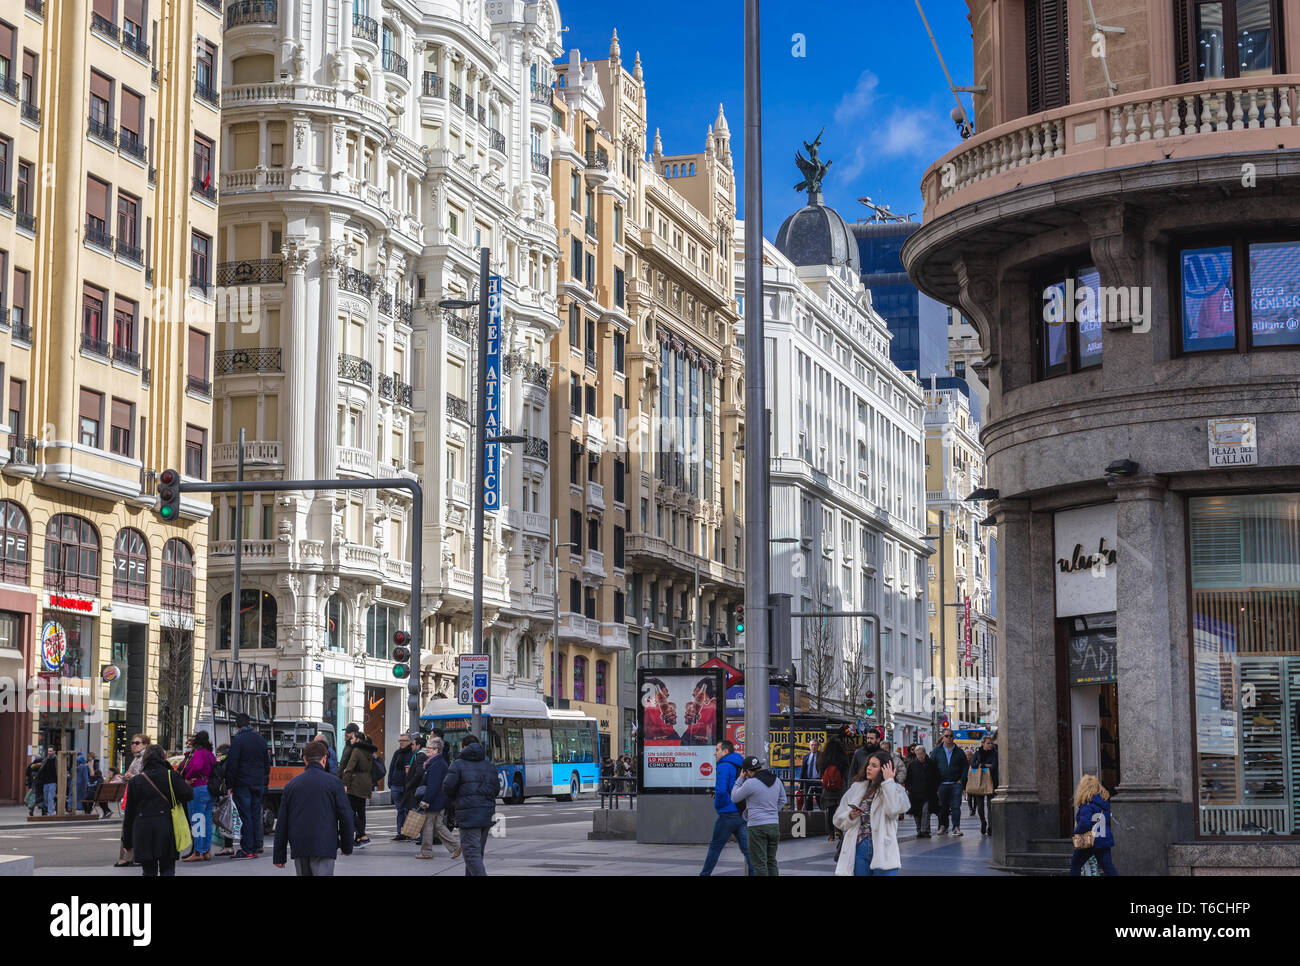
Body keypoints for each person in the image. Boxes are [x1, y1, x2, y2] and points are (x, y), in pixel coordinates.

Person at [272, 740, 354, 876]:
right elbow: (346, 817)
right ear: (324, 759)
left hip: (299, 846)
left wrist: (279, 856)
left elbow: (282, 822)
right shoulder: (334, 783)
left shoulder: (292, 785)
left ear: (305, 760)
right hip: (325, 845)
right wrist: (346, 846)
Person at [120, 744, 195, 877]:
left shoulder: (136, 781)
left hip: (143, 829)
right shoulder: (172, 776)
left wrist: (127, 841)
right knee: (167, 868)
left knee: (148, 871)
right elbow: (188, 795)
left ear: (145, 759)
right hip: (166, 826)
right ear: (163, 757)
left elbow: (129, 814)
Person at [833, 750, 911, 876]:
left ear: (884, 769)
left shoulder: (895, 789)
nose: (868, 768)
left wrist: (889, 782)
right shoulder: (857, 788)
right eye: (868, 764)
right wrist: (850, 816)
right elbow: (838, 818)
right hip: (859, 845)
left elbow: (894, 809)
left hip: (883, 846)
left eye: (874, 766)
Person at [442, 735, 500, 875]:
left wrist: (455, 799)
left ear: (463, 747)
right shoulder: (489, 765)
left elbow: (447, 787)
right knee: (477, 853)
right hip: (486, 814)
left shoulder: (458, 764)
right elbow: (496, 789)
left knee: (471, 854)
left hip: (468, 815)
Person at [699, 739, 752, 876]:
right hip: (740, 812)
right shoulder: (739, 763)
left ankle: (704, 874)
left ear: (725, 751)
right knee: (748, 850)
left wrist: (719, 804)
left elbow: (722, 790)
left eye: (717, 750)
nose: (715, 753)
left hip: (727, 814)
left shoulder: (724, 765)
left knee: (715, 848)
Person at [225, 712, 271, 858]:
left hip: (243, 783)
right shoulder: (260, 739)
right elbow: (266, 763)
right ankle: (256, 847)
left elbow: (232, 764)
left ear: (237, 725)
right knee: (255, 815)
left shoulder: (238, 740)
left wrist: (229, 784)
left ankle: (247, 849)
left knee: (245, 816)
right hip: (258, 783)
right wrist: (263, 780)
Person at [731, 755, 786, 876]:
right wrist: (771, 811)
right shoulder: (776, 780)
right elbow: (783, 800)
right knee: (771, 861)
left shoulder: (750, 783)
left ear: (747, 771)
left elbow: (734, 797)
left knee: (759, 864)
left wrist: (740, 778)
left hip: (757, 827)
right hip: (774, 826)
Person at [415, 737, 461, 861]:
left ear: (436, 750)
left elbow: (433, 785)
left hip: (434, 800)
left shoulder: (436, 764)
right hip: (439, 799)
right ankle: (455, 846)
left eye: (430, 748)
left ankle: (426, 852)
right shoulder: (437, 762)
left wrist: (426, 801)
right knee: (438, 825)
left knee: (427, 826)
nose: (427, 750)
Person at [1069, 775, 1119, 876]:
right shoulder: (1104, 804)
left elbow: (1085, 824)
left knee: (1075, 865)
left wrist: (1076, 832)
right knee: (1108, 868)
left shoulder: (1087, 804)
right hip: (1104, 841)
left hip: (1090, 841)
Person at [182, 730, 217, 861]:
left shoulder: (198, 753)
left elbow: (196, 767)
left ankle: (197, 852)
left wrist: (187, 777)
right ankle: (206, 850)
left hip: (198, 788)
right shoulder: (210, 754)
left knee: (197, 820)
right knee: (207, 821)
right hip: (209, 789)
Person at [341, 730, 378, 847]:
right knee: (361, 812)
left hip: (356, 783)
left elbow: (349, 768)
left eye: (352, 738)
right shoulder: (369, 751)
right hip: (366, 783)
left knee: (349, 810)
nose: (350, 740)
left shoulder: (356, 750)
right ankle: (359, 838)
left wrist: (344, 783)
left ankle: (363, 835)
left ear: (358, 740)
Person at [932, 728, 969, 836]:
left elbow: (964, 767)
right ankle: (943, 826)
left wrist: (961, 780)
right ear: (943, 738)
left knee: (956, 806)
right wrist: (936, 781)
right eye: (946, 736)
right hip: (942, 784)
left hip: (955, 784)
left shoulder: (959, 752)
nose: (949, 738)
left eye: (951, 736)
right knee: (942, 807)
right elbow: (932, 766)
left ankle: (956, 827)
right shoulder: (937, 751)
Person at [817, 738, 851, 852]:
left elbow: (820, 773)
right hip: (840, 789)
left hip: (828, 790)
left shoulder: (824, 758)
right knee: (840, 810)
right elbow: (846, 775)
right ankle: (839, 830)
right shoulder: (842, 758)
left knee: (830, 811)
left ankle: (831, 834)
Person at [904, 744, 939, 837]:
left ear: (924, 753)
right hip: (915, 793)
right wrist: (910, 788)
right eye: (917, 754)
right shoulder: (912, 765)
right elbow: (908, 779)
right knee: (917, 812)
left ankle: (925, 830)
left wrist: (934, 788)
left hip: (928, 793)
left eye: (921, 753)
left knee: (926, 811)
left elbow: (936, 777)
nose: (919, 755)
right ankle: (919, 830)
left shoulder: (931, 763)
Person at [968, 734, 1000, 836]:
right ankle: (983, 822)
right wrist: (985, 765)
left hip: (991, 781)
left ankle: (990, 827)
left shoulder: (995, 754)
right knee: (980, 806)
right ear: (983, 744)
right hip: (979, 781)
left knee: (990, 806)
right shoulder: (977, 753)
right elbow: (973, 765)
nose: (990, 745)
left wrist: (981, 765)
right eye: (988, 743)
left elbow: (994, 767)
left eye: (991, 743)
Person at [388, 733, 416, 840]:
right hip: (396, 785)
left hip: (406, 786)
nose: (401, 742)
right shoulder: (397, 753)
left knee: (408, 810)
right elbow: (391, 768)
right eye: (400, 740)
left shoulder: (412, 753)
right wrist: (390, 783)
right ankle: (400, 833)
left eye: (404, 740)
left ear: (409, 742)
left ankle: (408, 832)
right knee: (399, 810)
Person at [683, 677, 718, 744]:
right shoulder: (713, 706)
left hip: (697, 742)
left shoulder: (708, 707)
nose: (693, 695)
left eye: (695, 691)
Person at [799, 738, 822, 810]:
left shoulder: (822, 756)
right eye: (812, 745)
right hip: (808, 781)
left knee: (820, 799)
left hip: (818, 781)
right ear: (809, 746)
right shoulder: (806, 757)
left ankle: (823, 813)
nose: (813, 747)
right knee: (808, 800)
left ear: (818, 746)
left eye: (815, 745)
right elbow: (803, 770)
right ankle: (809, 816)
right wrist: (801, 782)